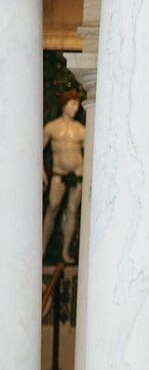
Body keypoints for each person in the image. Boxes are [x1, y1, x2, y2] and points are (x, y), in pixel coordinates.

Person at [42, 89, 86, 264]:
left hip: (78, 174)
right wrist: (42, 171)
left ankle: (66, 252)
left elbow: (90, 152)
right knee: (52, 207)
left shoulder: (81, 130)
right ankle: (41, 249)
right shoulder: (52, 127)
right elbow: (38, 149)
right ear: (64, 105)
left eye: (77, 105)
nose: (76, 108)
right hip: (58, 174)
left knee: (72, 210)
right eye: (73, 104)